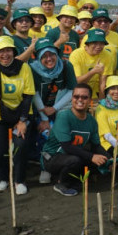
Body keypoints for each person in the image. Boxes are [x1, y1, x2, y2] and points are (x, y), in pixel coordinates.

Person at [0, 36, 35, 196]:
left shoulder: (24, 68)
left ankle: (19, 180)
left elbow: (28, 96)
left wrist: (23, 121)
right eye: (1, 51)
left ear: (13, 51)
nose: (5, 54)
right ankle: (4, 178)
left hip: (21, 113)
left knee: (20, 146)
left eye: (8, 50)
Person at [43, 83, 106, 196]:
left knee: (99, 161)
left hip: (74, 154)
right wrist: (92, 157)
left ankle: (75, 179)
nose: (80, 100)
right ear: (72, 98)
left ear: (90, 100)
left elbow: (96, 145)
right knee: (76, 160)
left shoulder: (91, 121)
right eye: (76, 96)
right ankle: (61, 183)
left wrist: (109, 159)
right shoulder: (64, 116)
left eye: (84, 97)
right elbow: (66, 146)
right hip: (53, 157)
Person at [29, 38, 77, 183]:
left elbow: (71, 90)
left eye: (52, 55)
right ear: (38, 57)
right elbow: (33, 93)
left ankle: (61, 165)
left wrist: (55, 109)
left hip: (60, 106)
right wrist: (44, 117)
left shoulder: (66, 66)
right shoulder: (32, 69)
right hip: (39, 108)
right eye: (44, 56)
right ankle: (45, 167)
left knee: (63, 135)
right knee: (45, 135)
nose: (49, 59)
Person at [69, 29, 115, 100]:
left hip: (95, 94)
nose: (98, 46)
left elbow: (103, 82)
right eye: (95, 43)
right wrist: (93, 71)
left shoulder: (107, 55)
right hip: (76, 93)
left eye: (101, 43)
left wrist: (101, 102)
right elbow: (77, 82)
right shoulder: (76, 55)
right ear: (88, 43)